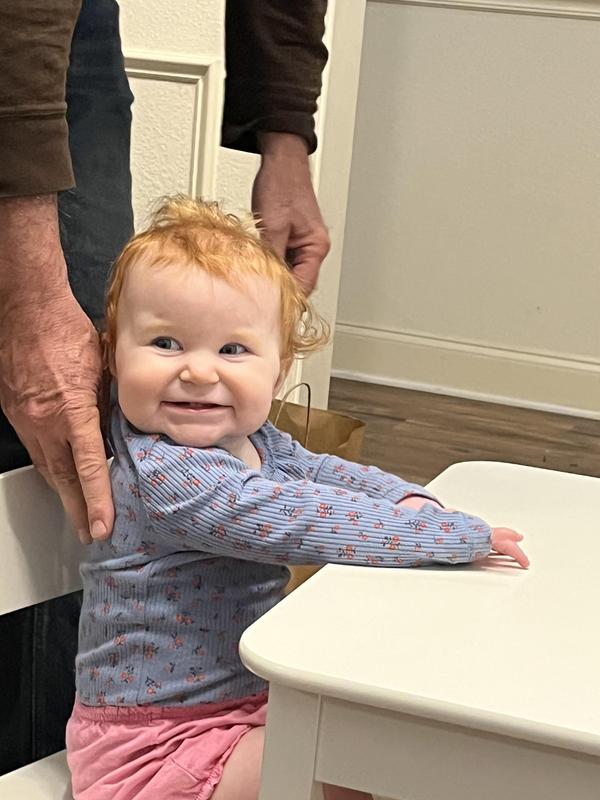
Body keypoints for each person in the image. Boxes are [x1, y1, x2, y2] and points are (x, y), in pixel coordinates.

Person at [65, 196, 529, 800]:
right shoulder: (169, 478)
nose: (200, 371)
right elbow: (301, 519)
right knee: (362, 770)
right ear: (112, 355)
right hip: (157, 749)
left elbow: (325, 475)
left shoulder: (250, 439)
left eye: (232, 350)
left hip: (250, 707)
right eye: (166, 343)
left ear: (278, 370)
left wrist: (413, 499)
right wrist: (452, 537)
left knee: (384, 748)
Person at [0, 0, 329, 774]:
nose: (198, 373)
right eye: (169, 344)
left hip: (58, 32)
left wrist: (284, 136)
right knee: (52, 418)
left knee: (69, 437)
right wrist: (27, 293)